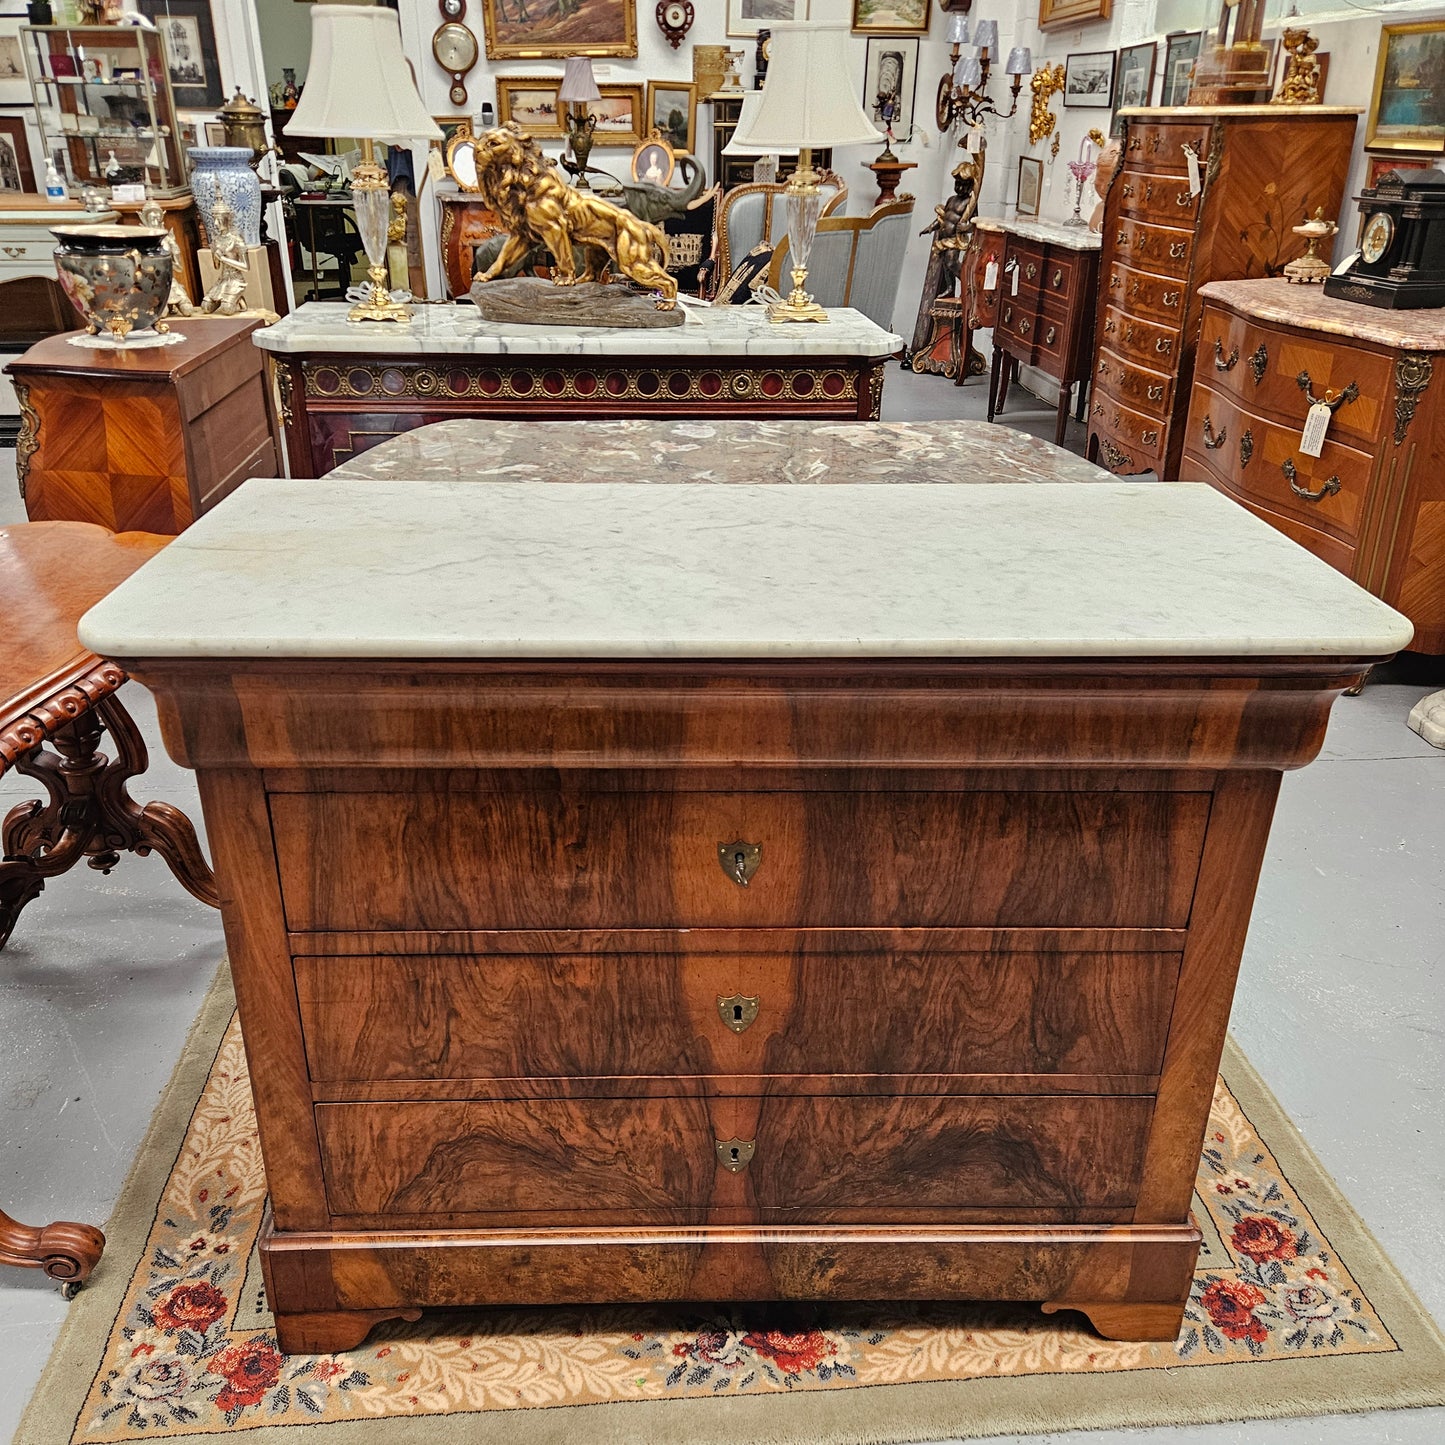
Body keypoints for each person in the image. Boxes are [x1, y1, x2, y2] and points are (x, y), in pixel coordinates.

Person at [141, 195, 194, 317]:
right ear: (145, 220)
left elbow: (179, 268)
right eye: (151, 219)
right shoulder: (143, 244)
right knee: (162, 314)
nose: (154, 222)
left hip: (172, 283)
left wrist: (171, 255)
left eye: (157, 218)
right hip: (155, 285)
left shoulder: (168, 241)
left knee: (188, 310)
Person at [200, 198, 250, 316]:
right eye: (214, 219)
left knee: (227, 310)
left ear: (227, 219)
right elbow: (216, 267)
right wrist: (215, 255)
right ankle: (226, 299)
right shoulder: (216, 240)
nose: (216, 223)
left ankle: (237, 299)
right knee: (205, 307)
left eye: (219, 220)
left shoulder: (237, 240)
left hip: (235, 279)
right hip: (223, 279)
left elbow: (246, 267)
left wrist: (224, 258)